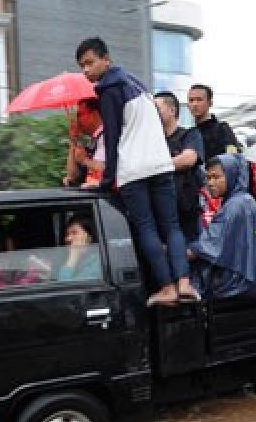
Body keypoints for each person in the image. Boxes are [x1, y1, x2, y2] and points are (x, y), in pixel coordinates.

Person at [76, 37, 197, 306]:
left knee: (146, 228)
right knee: (172, 227)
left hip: (134, 169)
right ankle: (184, 283)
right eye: (82, 65)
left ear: (106, 59)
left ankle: (166, 288)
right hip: (161, 164)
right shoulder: (137, 84)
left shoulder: (108, 90)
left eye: (90, 63)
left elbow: (113, 136)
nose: (86, 70)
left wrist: (106, 182)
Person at [187, 154, 256, 300]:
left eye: (216, 177)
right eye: (208, 178)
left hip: (244, 282)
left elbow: (208, 247)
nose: (210, 183)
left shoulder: (235, 206)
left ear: (231, 175)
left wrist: (174, 253)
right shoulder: (244, 200)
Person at [153, 91, 206, 243]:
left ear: (172, 110)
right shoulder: (154, 140)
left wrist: (155, 166)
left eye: (157, 108)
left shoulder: (189, 134)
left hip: (186, 212)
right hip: (160, 210)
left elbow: (189, 159)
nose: (153, 113)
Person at [186, 84, 241, 160]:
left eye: (199, 100)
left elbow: (234, 158)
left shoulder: (221, 129)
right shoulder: (189, 134)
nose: (195, 104)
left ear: (210, 103)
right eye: (191, 100)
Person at [62, 99, 105, 188]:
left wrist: (84, 160)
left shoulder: (105, 137)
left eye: (80, 115)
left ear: (94, 114)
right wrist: (73, 141)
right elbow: (72, 175)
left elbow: (103, 167)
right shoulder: (93, 140)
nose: (78, 120)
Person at [57, 216, 103, 282]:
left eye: (74, 233)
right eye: (67, 234)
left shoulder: (98, 262)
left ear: (89, 237)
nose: (68, 239)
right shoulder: (78, 258)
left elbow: (65, 287)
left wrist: (73, 257)